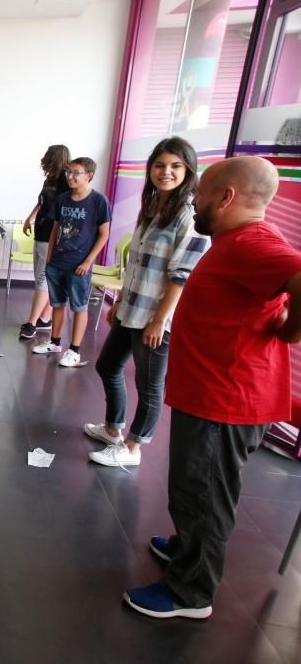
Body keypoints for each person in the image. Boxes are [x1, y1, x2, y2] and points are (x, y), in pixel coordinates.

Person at [123, 156, 301, 620]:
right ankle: (186, 548)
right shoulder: (237, 241)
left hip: (226, 400)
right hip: (212, 392)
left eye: (201, 194)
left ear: (226, 197)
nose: (194, 202)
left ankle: (190, 593)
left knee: (203, 495)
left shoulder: (251, 242)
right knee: (194, 488)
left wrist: (293, 330)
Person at [86, 138, 208, 468]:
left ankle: (133, 447)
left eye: (175, 166)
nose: (165, 172)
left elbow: (181, 276)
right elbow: (138, 263)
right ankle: (113, 429)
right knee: (107, 366)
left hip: (156, 318)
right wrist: (120, 299)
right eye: (159, 165)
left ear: (188, 171)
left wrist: (160, 320)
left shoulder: (189, 217)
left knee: (149, 386)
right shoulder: (153, 209)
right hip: (131, 309)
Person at [31, 157, 111, 367]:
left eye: (76, 172)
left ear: (89, 176)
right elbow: (55, 229)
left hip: (79, 265)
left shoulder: (98, 201)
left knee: (79, 307)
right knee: (57, 304)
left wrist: (88, 262)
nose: (70, 176)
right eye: (68, 172)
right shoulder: (62, 199)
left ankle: (74, 350)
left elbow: (104, 234)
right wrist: (49, 258)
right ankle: (55, 342)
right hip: (57, 262)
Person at [20, 145, 71, 339]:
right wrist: (29, 218)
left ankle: (32, 323)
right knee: (42, 278)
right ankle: (45, 319)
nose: (44, 160)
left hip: (53, 236)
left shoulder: (66, 180)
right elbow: (41, 202)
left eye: (47, 157)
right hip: (41, 231)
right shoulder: (49, 179)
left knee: (43, 279)